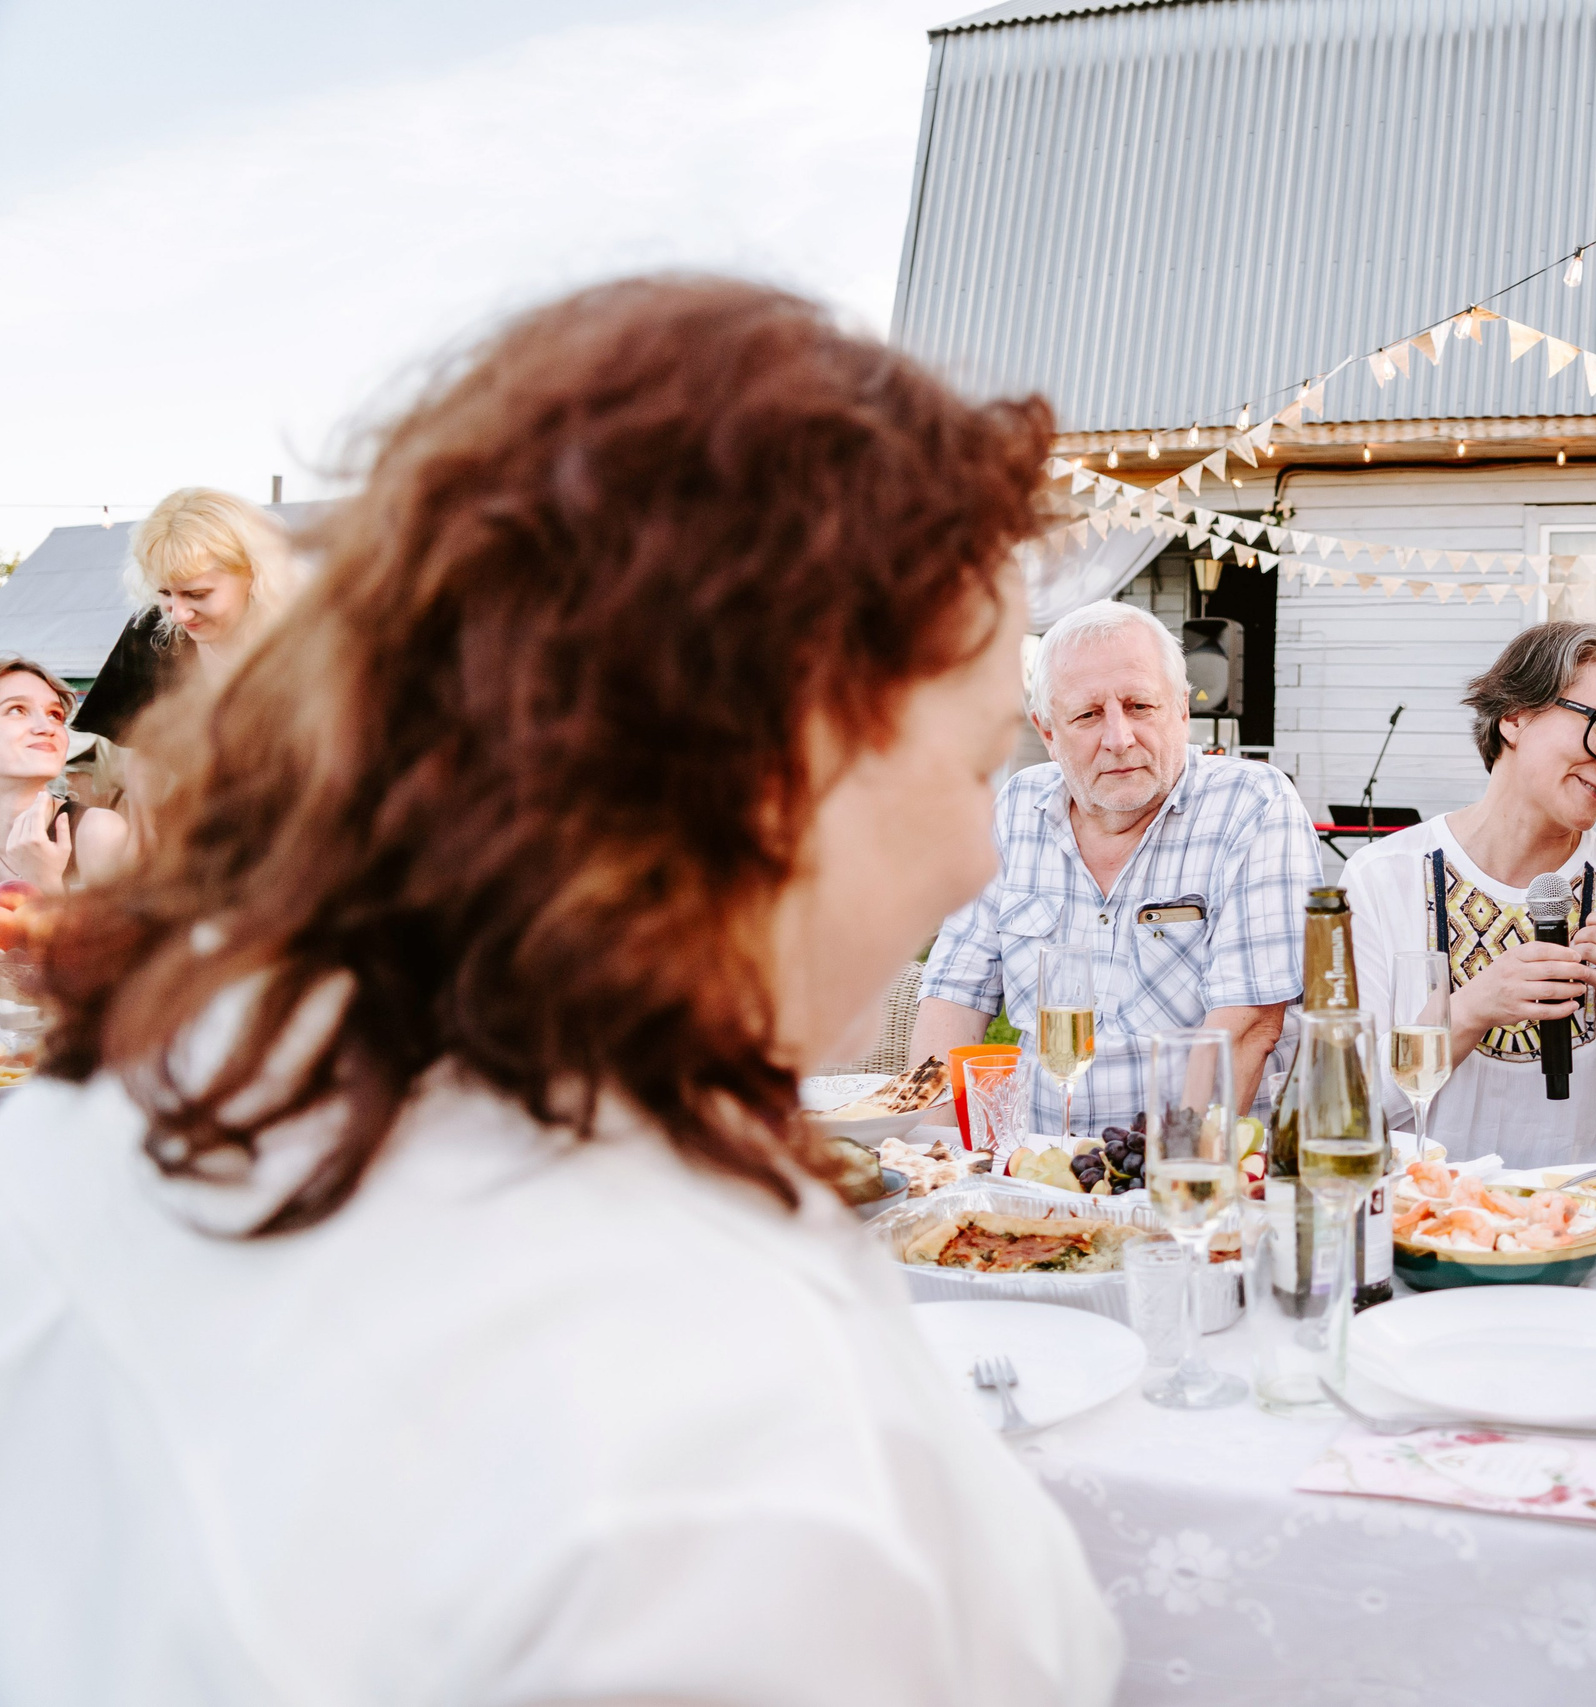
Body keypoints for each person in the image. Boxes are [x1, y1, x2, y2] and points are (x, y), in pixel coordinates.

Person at [0, 278, 1119, 1705]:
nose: (979, 851)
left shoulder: (130, 1093)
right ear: (774, 757)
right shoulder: (739, 1441)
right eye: (972, 765)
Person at [913, 600, 1320, 1131]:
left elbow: (1249, 1026)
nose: (1119, 738)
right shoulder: (1016, 808)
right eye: (1087, 715)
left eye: (1140, 706)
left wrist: (1174, 1177)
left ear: (1180, 710)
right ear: (1048, 734)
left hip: (1204, 1166)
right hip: (1044, 1161)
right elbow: (954, 995)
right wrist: (931, 1160)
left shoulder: (1253, 803)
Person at [1339, 621, 1596, 1169]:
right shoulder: (1379, 880)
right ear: (1515, 715)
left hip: (1587, 1218)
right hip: (1427, 1218)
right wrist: (1470, 1008)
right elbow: (1349, 1100)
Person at [71, 487, 313, 751]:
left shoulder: (313, 644)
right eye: (164, 592)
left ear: (255, 575)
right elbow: (131, 756)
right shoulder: (150, 632)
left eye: (197, 594)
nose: (177, 615)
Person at [0, 658, 130, 892]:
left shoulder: (97, 832)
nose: (46, 727)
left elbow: (116, 930)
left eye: (55, 714)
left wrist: (45, 882)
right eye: (17, 710)